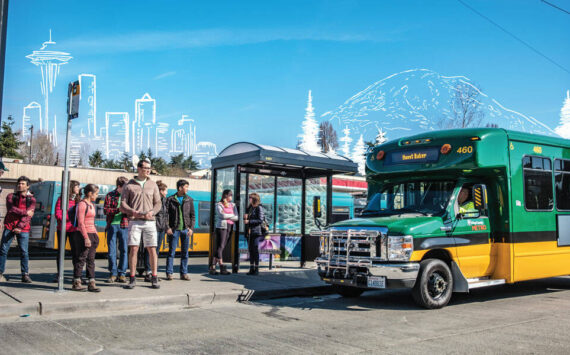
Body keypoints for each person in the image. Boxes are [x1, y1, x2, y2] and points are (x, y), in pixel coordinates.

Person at [120, 159, 162, 289]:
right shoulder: (129, 185)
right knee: (133, 249)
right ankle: (132, 278)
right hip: (134, 221)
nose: (148, 170)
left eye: (149, 168)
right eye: (145, 168)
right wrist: (132, 211)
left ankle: (154, 277)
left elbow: (158, 203)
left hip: (150, 221)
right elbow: (122, 204)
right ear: (138, 168)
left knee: (152, 249)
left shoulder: (153, 184)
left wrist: (152, 212)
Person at [0, 176, 35, 283]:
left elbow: (28, 217)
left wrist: (19, 227)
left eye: (23, 184)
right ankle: (0, 273)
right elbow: (11, 209)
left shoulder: (32, 199)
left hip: (23, 229)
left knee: (24, 252)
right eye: (19, 183)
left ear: (27, 186)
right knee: (3, 250)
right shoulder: (11, 196)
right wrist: (24, 212)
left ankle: (25, 274)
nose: (20, 185)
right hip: (9, 226)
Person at [164, 179, 195, 281]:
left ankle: (184, 273)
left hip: (185, 230)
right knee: (171, 252)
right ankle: (169, 273)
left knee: (185, 253)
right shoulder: (170, 199)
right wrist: (168, 227)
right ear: (180, 188)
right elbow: (165, 215)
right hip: (174, 230)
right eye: (186, 187)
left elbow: (192, 216)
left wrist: (191, 228)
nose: (187, 189)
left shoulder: (189, 199)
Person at [72, 184, 101, 292]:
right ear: (90, 193)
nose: (97, 196)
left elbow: (92, 222)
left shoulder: (91, 205)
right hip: (83, 234)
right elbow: (81, 223)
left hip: (92, 234)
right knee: (81, 258)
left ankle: (91, 282)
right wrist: (86, 237)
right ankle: (76, 281)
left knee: (91, 259)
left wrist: (95, 235)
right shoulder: (82, 204)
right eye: (96, 194)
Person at [53, 180, 81, 282]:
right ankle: (59, 274)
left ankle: (77, 275)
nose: (78, 188)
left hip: (74, 230)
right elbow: (58, 214)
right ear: (71, 188)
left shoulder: (78, 200)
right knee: (61, 252)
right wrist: (69, 218)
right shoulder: (62, 199)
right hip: (63, 229)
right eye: (76, 187)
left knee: (76, 252)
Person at [103, 176, 129, 283]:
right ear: (119, 186)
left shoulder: (128, 196)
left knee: (124, 250)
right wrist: (118, 210)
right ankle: (113, 273)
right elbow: (106, 210)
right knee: (111, 251)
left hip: (125, 225)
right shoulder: (110, 195)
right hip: (112, 225)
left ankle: (122, 273)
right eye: (125, 187)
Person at [144, 180, 169, 282]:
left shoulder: (164, 201)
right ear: (160, 191)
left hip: (161, 229)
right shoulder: (154, 201)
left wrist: (166, 227)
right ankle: (148, 272)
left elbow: (166, 215)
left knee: (156, 251)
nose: (166, 193)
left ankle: (154, 272)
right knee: (150, 250)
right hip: (154, 228)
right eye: (165, 190)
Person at [211, 189, 238, 275]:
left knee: (221, 247)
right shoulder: (219, 204)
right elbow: (221, 215)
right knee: (221, 246)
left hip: (230, 226)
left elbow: (237, 217)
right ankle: (222, 266)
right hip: (222, 227)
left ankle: (212, 267)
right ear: (226, 195)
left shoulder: (233, 205)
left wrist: (228, 216)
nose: (231, 197)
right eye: (230, 195)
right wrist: (231, 216)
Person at [244, 193, 265, 275]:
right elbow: (246, 218)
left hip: (256, 231)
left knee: (255, 250)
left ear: (254, 199)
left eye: (250, 198)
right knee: (250, 250)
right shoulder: (250, 207)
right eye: (249, 197)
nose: (249, 199)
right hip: (249, 231)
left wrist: (249, 221)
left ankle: (256, 269)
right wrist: (245, 218)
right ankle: (251, 268)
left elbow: (260, 220)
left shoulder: (259, 207)